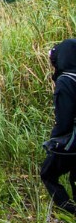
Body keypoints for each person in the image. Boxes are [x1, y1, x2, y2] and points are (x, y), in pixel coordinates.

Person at [41, 38, 76, 214]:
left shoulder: (65, 81)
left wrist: (55, 141)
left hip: (71, 141)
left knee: (47, 173)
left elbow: (64, 119)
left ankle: (69, 211)